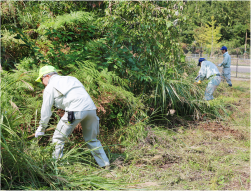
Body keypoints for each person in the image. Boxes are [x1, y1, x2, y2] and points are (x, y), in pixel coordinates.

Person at [34, 65, 110, 167]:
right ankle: (105, 165)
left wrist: (41, 128)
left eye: (42, 80)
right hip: (91, 110)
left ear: (46, 76)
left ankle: (56, 167)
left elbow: (46, 111)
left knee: (58, 138)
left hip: (74, 112)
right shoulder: (71, 79)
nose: (43, 84)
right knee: (92, 139)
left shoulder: (50, 87)